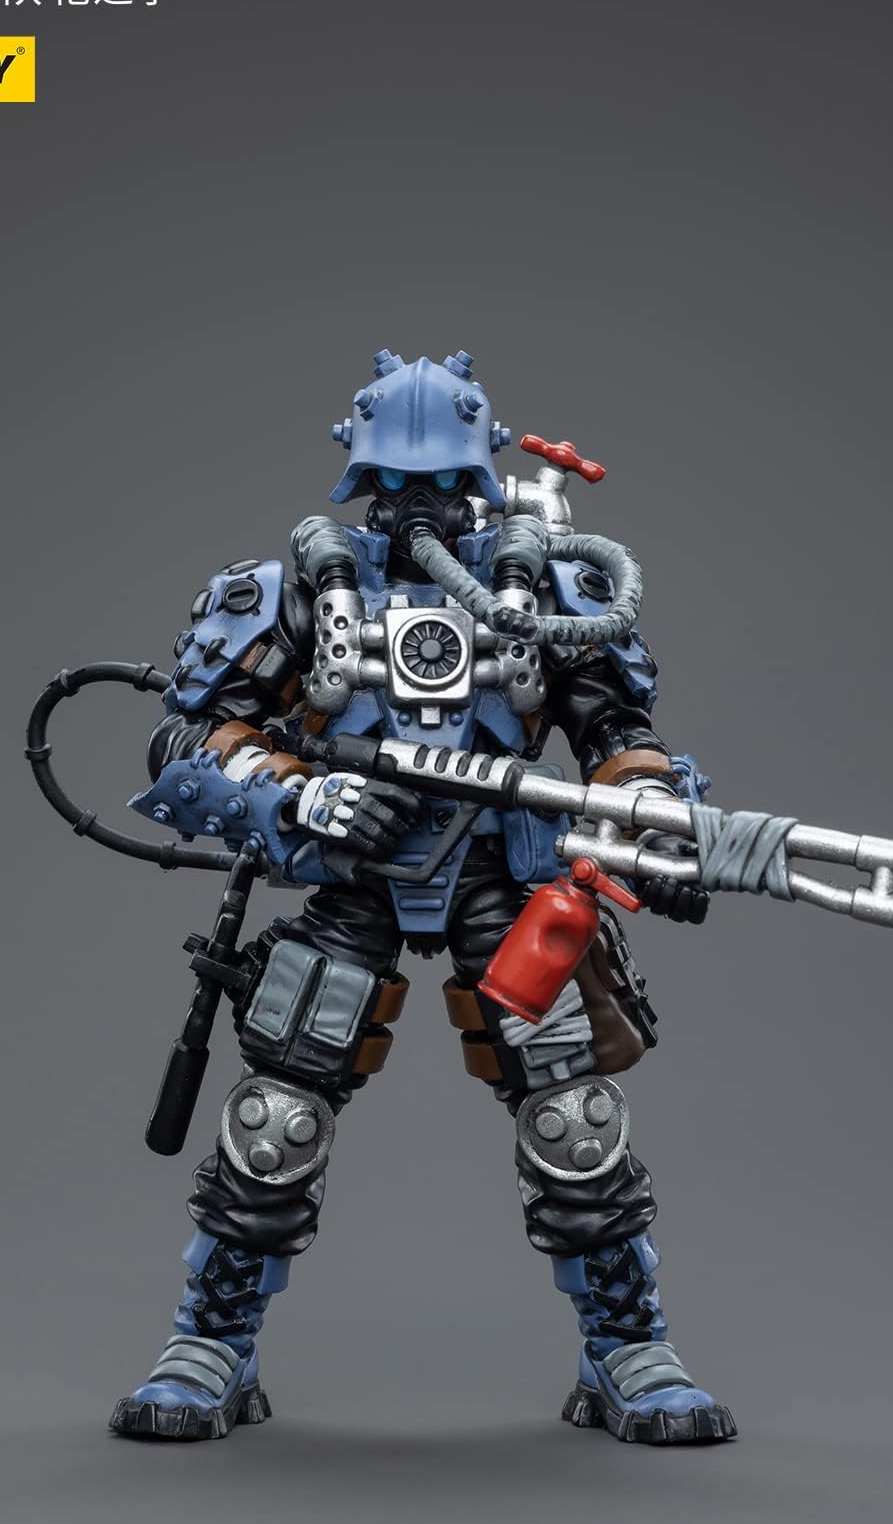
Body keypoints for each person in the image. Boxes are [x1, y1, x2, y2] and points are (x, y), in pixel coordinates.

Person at [112, 351, 734, 1447]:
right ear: (361, 481)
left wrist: (648, 815)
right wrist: (299, 797)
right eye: (398, 487)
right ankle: (211, 1345)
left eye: (443, 484)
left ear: (479, 478)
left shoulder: (545, 588)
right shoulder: (298, 591)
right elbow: (187, 742)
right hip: (358, 873)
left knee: (573, 1116)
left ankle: (625, 1348)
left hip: (502, 876)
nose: (420, 507)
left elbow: (616, 733)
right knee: (277, 1116)